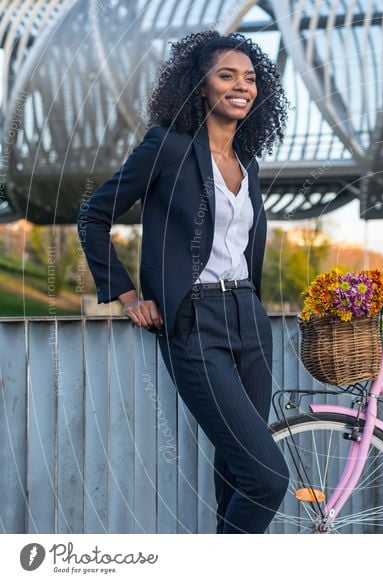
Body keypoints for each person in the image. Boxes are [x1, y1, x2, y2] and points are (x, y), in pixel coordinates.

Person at [77, 31, 290, 534]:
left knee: (238, 474)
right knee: (268, 477)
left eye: (250, 78)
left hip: (250, 325)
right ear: (200, 86)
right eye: (226, 75)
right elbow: (93, 215)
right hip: (194, 323)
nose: (242, 86)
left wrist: (254, 308)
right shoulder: (167, 148)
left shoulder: (247, 164)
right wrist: (127, 294)